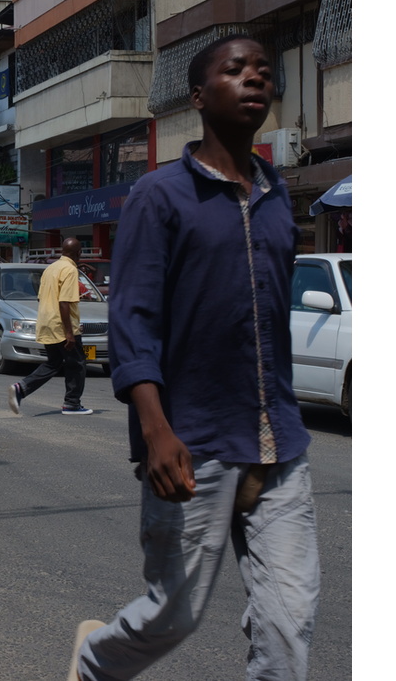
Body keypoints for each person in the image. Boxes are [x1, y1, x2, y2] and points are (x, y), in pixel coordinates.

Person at [69, 35, 319, 681]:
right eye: (236, 71)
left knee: (288, 628)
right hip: (191, 446)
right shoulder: (160, 196)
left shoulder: (276, 196)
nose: (255, 80)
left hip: (278, 445)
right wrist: (155, 432)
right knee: (171, 614)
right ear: (200, 96)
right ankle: (95, 660)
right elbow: (133, 322)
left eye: (264, 70)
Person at [7, 237, 92, 416]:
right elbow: (64, 303)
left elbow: (42, 297)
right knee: (77, 363)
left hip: (47, 323)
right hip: (62, 326)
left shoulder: (50, 269)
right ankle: (72, 404)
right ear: (79, 253)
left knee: (53, 363)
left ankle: (21, 388)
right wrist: (69, 332)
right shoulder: (70, 270)